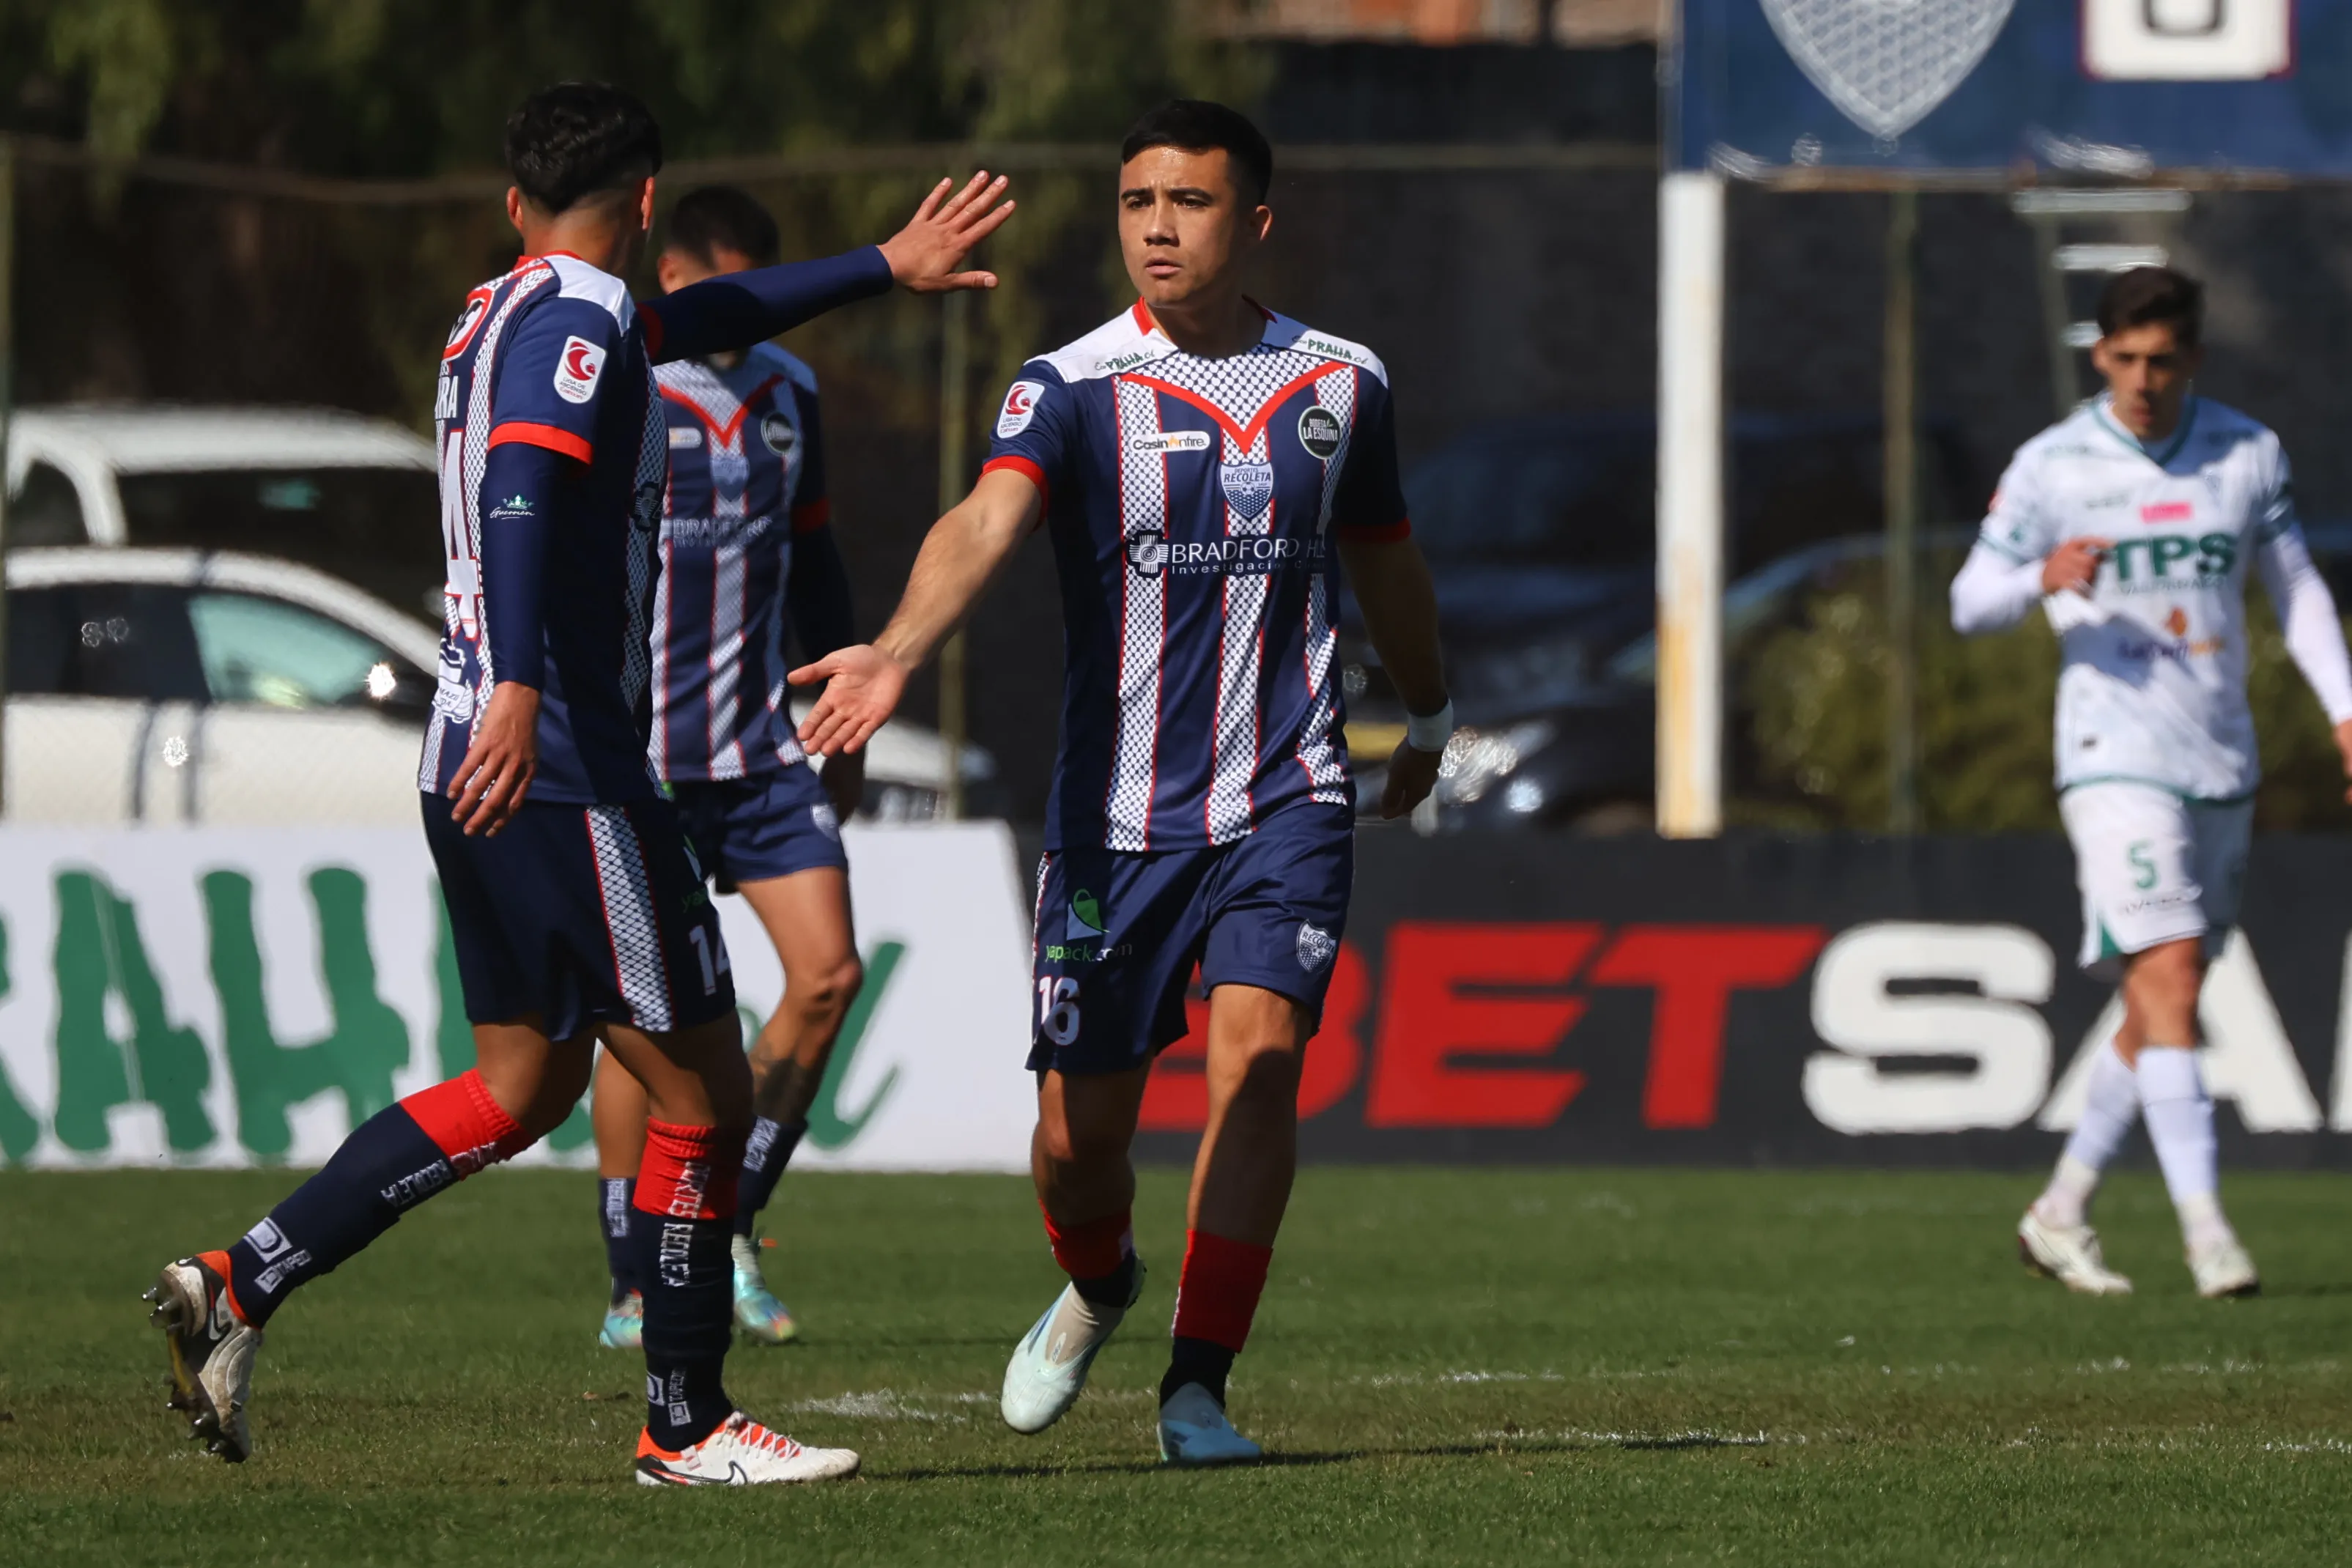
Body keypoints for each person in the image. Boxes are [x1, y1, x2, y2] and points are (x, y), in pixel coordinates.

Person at [145, 81, 1013, 1485]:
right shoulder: (586, 320)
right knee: (703, 1099)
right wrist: (528, 691)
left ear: (513, 204)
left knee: (515, 1091)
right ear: (650, 202)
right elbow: (521, 491)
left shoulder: (497, 313)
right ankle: (685, 1425)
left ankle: (237, 1282)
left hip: (475, 764)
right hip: (564, 769)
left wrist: (878, 267)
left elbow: (704, 324)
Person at [791, 100, 1451, 1465]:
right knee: (1075, 1144)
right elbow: (985, 516)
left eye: (1190, 202)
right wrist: (899, 651)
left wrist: (1430, 712)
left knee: (1260, 1060)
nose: (1157, 225)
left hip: (1288, 794)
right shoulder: (1070, 383)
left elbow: (1385, 557)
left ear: (1253, 221)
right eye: (1137, 200)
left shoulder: (1341, 383)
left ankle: (1198, 1388)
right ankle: (1100, 1284)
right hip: (1112, 822)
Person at [1950, 265, 2352, 1299]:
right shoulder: (2051, 466)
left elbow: (2296, 591)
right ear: (2098, 354)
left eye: (2160, 359)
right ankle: (2206, 1234)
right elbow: (1969, 599)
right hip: (2110, 758)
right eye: (2122, 358)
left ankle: (2057, 1212)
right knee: (2168, 971)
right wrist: (2039, 578)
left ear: (2191, 359)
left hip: (2217, 760)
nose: (2141, 378)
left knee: (2155, 1001)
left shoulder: (2243, 452)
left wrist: (2345, 710)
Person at [591, 186, 867, 1352]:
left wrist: (848, 701)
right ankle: (633, 1280)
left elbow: (815, 566)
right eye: (727, 288)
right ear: (675, 278)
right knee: (640, 1016)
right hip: (641, 756)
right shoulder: (622, 381)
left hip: (758, 751)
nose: (747, 312)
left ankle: (730, 1220)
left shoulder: (790, 395)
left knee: (828, 974)